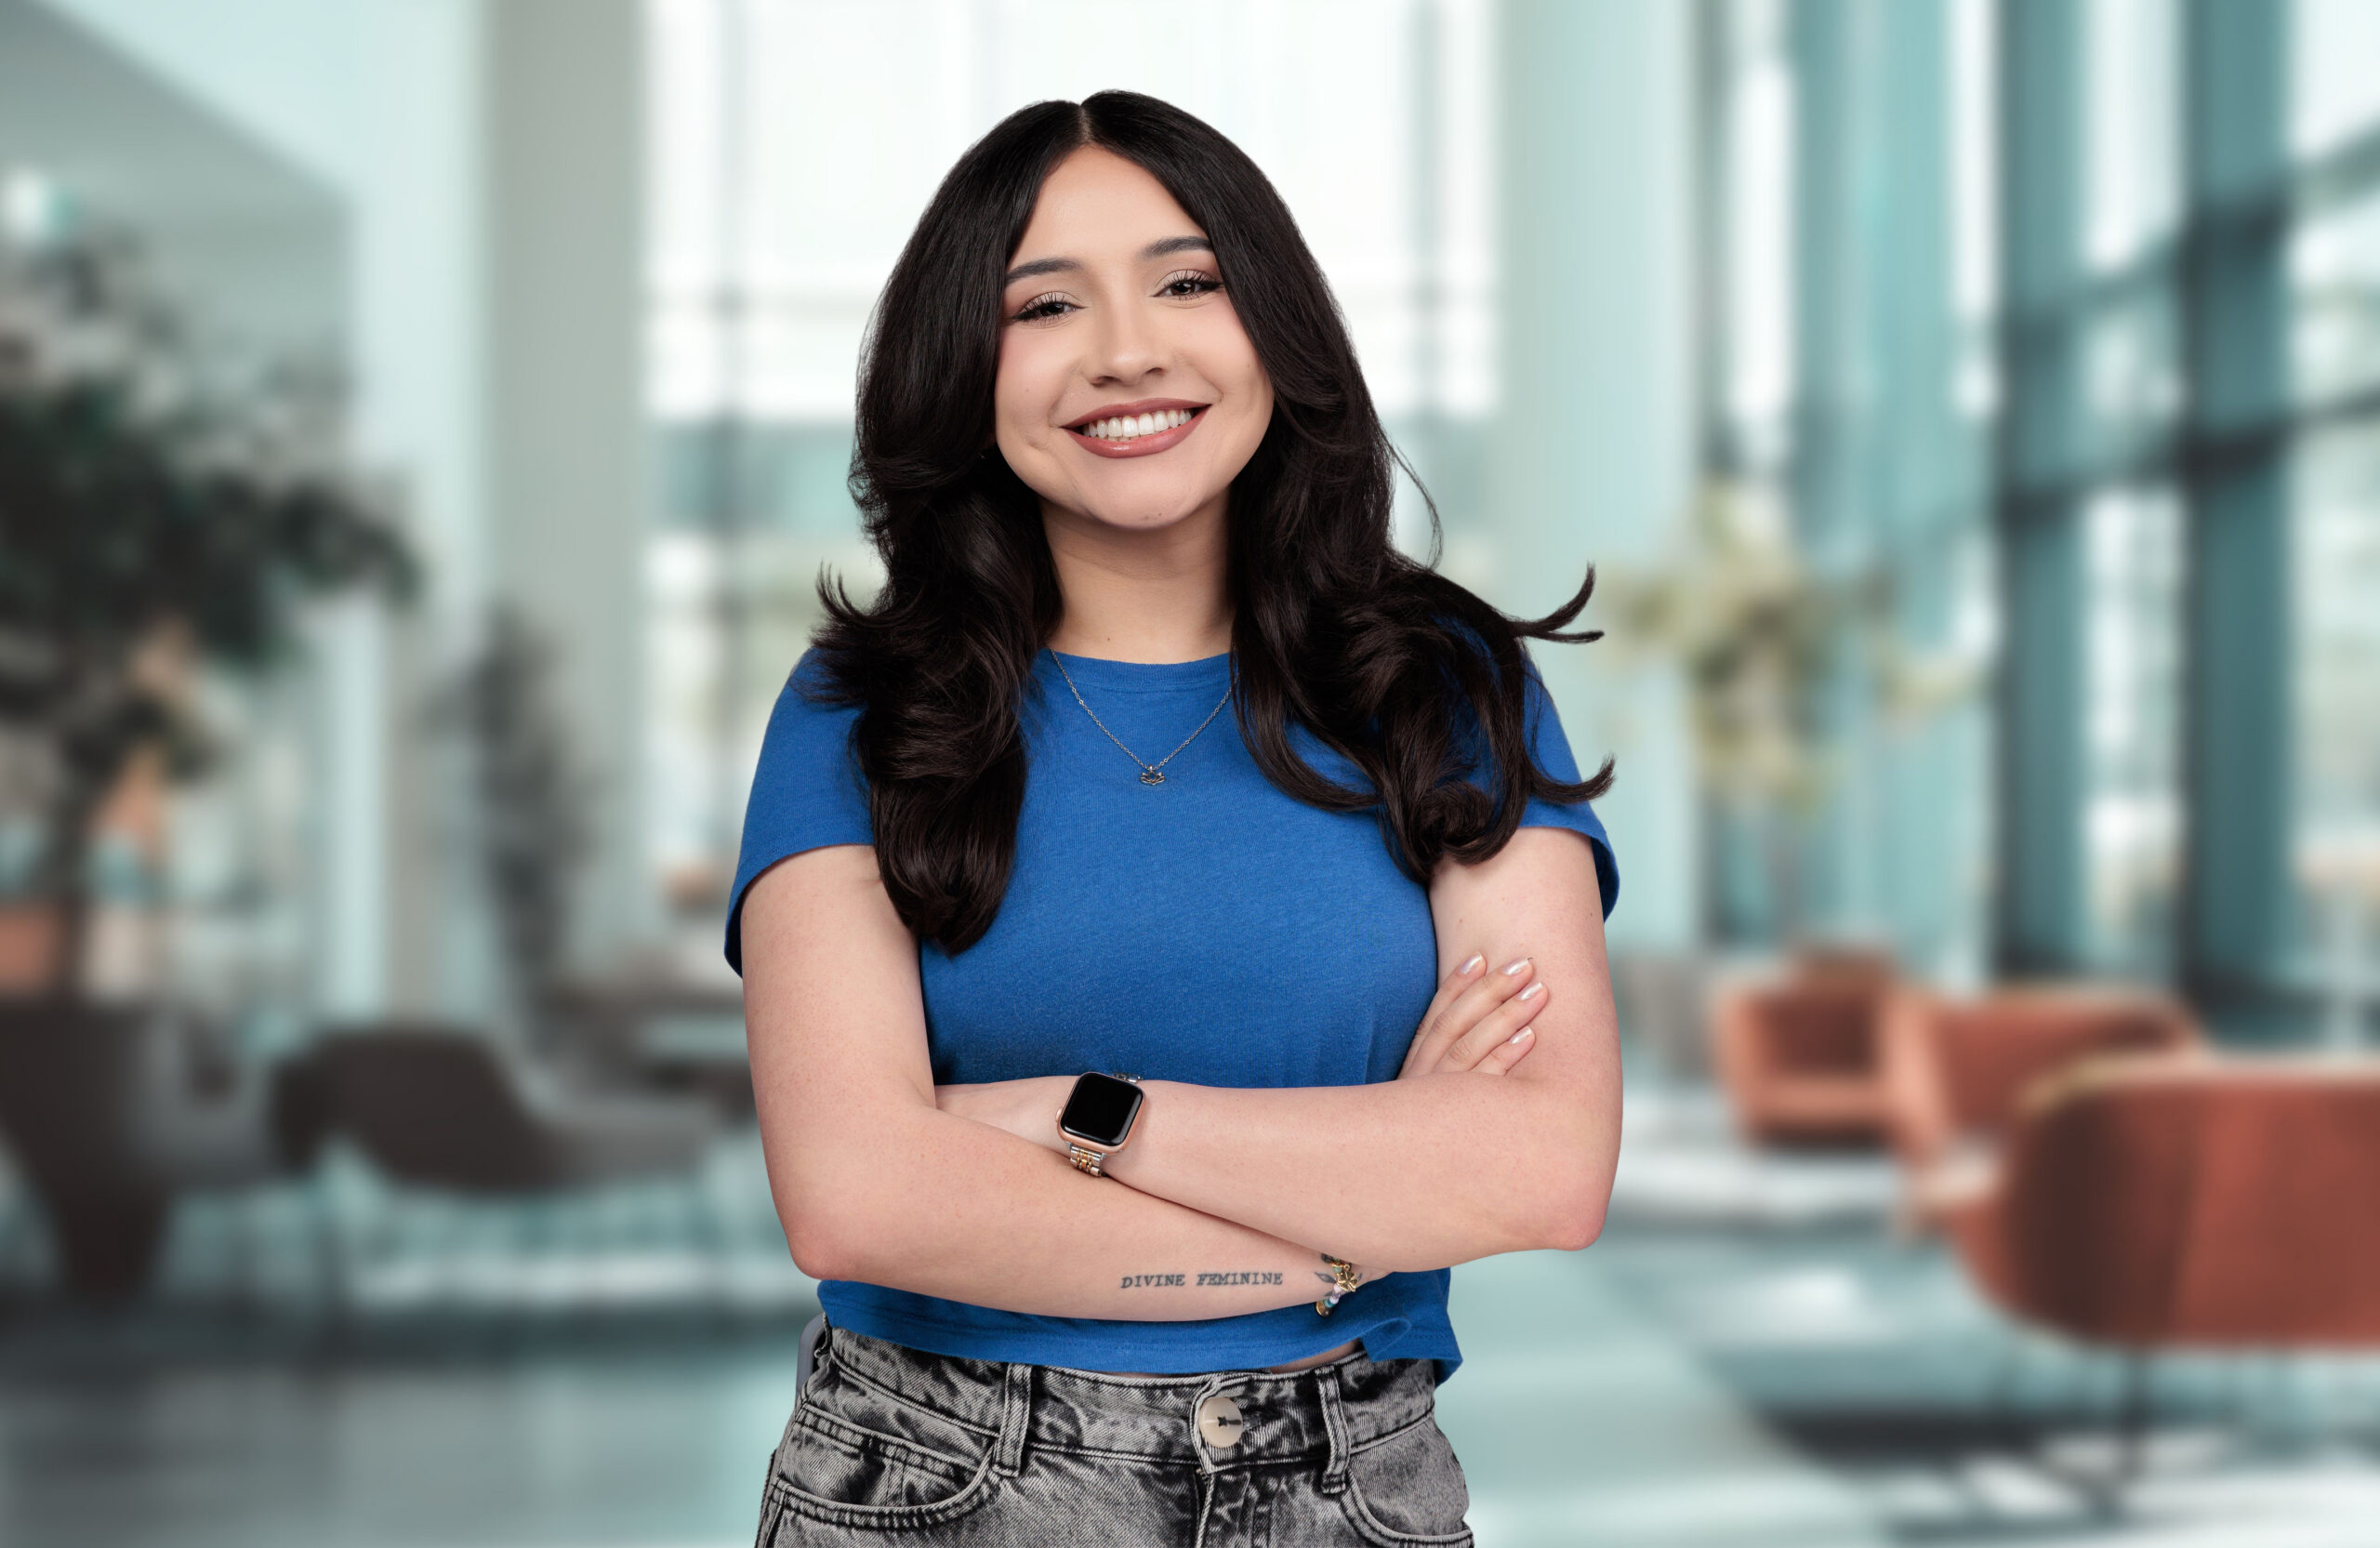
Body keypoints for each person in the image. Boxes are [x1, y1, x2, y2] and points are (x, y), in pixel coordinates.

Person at [729, 88, 1620, 1546]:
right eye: (1044, 306)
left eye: (1189, 281)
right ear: (965, 368)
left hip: (1352, 1484)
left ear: (1276, 324)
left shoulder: (1446, 690)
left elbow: (1547, 1167)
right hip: (942, 1477)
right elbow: (855, 1198)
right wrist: (1354, 1220)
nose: (1127, 349)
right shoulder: (859, 710)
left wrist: (1086, 1119)